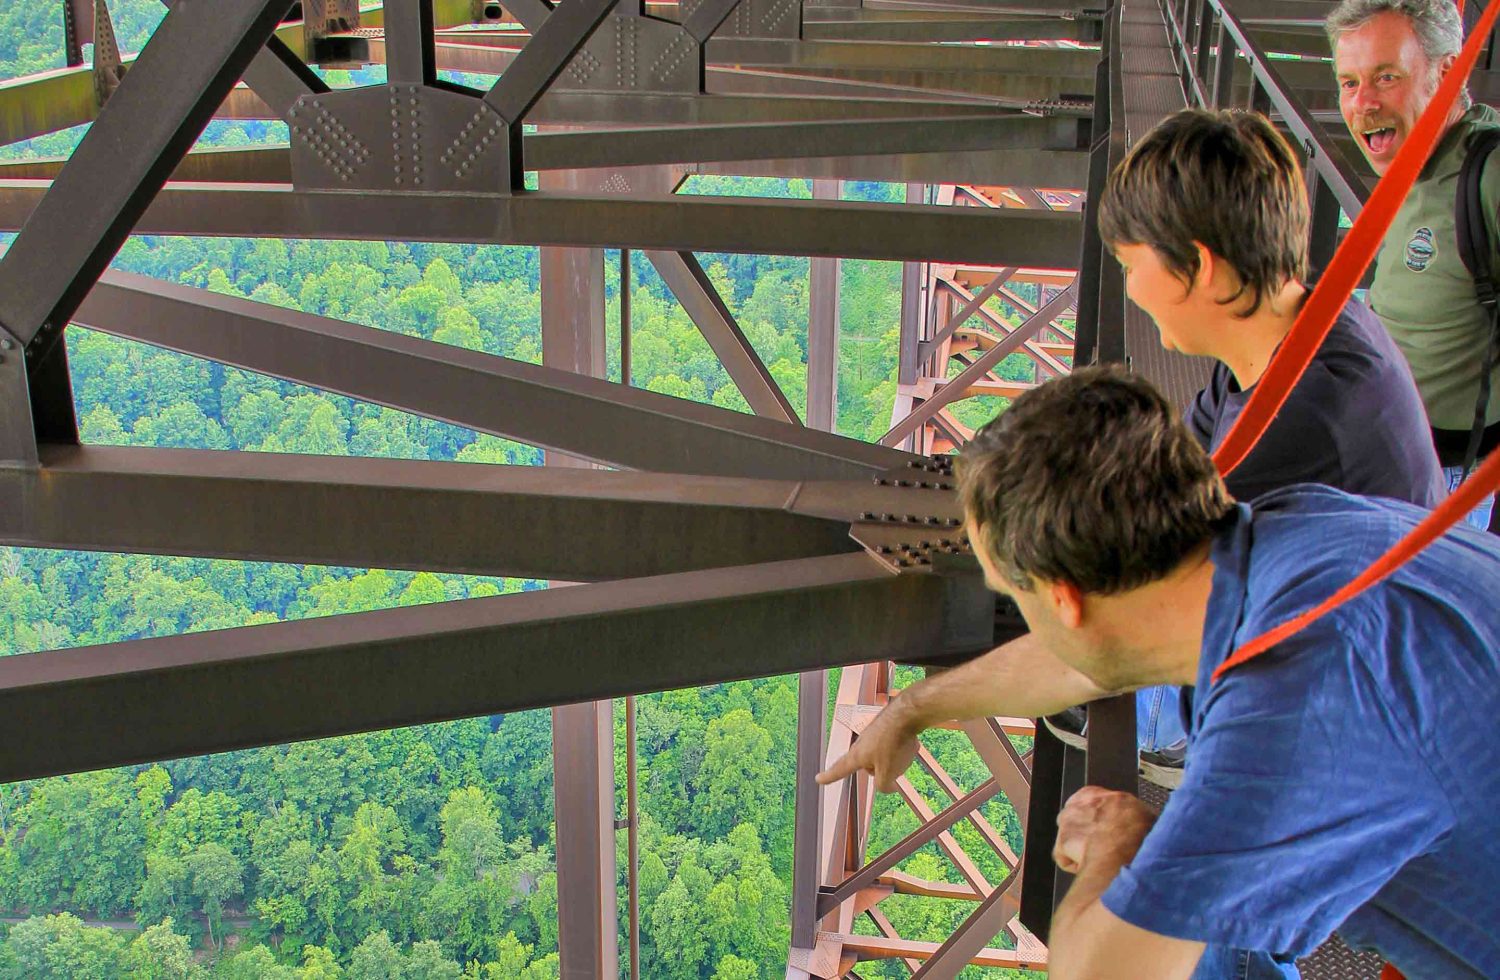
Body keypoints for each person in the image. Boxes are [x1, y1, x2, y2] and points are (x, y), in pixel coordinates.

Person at [822, 366, 1500, 979]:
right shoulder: (1296, 529)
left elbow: (1101, 974)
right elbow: (1083, 663)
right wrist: (914, 708)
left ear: (1063, 599)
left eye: (1013, 594)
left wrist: (1120, 840)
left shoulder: (1285, 708)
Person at [1092, 107, 1443, 787]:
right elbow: (1185, 449)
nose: (1129, 289)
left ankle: (1162, 733)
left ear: (1199, 267)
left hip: (1362, 737)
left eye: (1131, 266)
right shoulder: (1298, 322)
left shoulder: (1295, 430)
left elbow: (1156, 586)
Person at [1329, 0, 1500, 530]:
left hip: (1439, 486)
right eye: (1350, 83)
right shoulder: (1409, 160)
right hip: (1373, 458)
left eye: (1386, 77)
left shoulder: (1487, 172)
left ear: (1448, 72)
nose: (1364, 104)